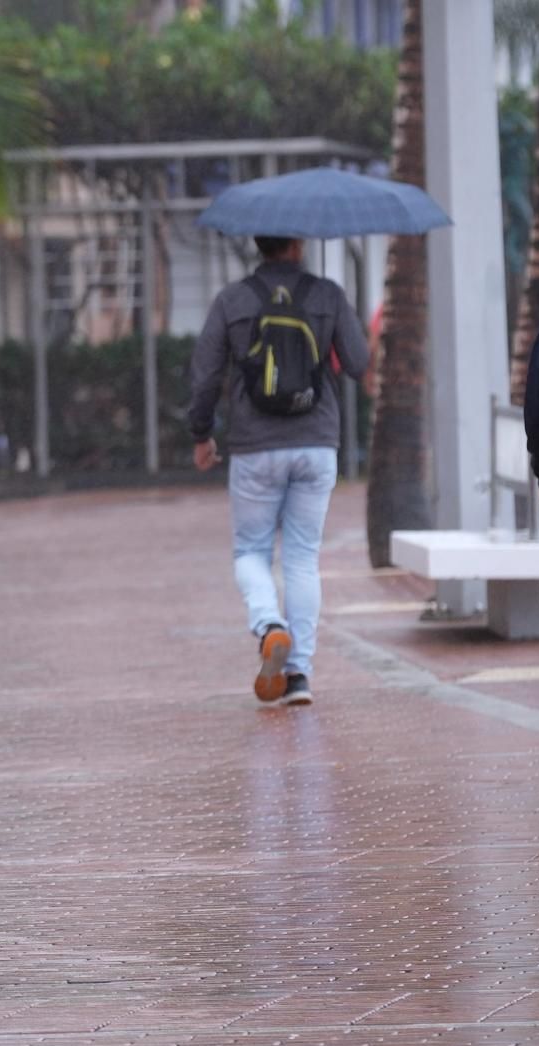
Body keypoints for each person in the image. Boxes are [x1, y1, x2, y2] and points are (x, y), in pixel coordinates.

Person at [188, 235, 369, 707]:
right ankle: (299, 675)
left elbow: (206, 374)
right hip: (316, 442)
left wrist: (201, 433)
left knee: (251, 550)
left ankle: (269, 624)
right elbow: (358, 362)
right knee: (303, 558)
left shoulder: (233, 300)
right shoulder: (326, 294)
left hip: (254, 446)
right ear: (298, 243)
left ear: (258, 243)